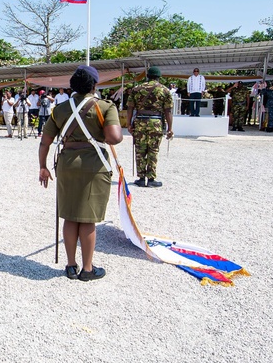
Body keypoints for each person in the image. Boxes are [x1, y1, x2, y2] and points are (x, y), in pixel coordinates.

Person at [38, 65, 122, 281]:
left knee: (70, 216)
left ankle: (70, 265)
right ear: (94, 85)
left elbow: (45, 142)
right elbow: (114, 138)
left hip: (66, 165)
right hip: (94, 166)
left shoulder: (60, 109)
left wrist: (43, 167)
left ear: (72, 86)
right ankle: (87, 269)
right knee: (87, 219)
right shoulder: (105, 106)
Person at [125, 66, 174, 186]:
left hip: (140, 121)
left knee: (140, 150)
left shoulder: (136, 89)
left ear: (147, 76)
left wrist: (128, 124)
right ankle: (151, 179)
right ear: (158, 77)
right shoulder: (164, 90)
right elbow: (168, 111)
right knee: (153, 150)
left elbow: (130, 108)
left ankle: (141, 179)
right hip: (156, 122)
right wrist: (170, 128)